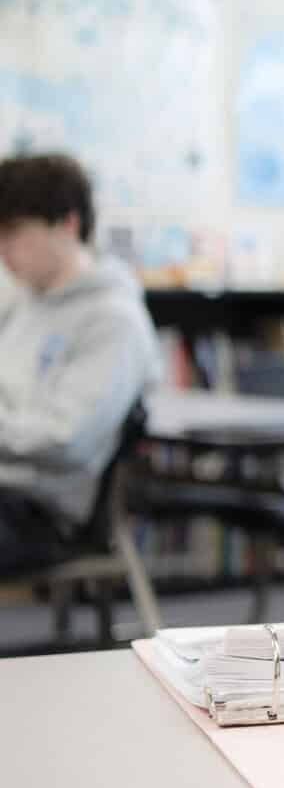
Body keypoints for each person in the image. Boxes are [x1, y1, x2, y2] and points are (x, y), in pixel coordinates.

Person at [0, 153, 159, 571]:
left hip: (43, 512)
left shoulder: (114, 320)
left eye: (12, 231)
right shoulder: (23, 305)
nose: (2, 249)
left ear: (68, 225)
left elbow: (67, 439)